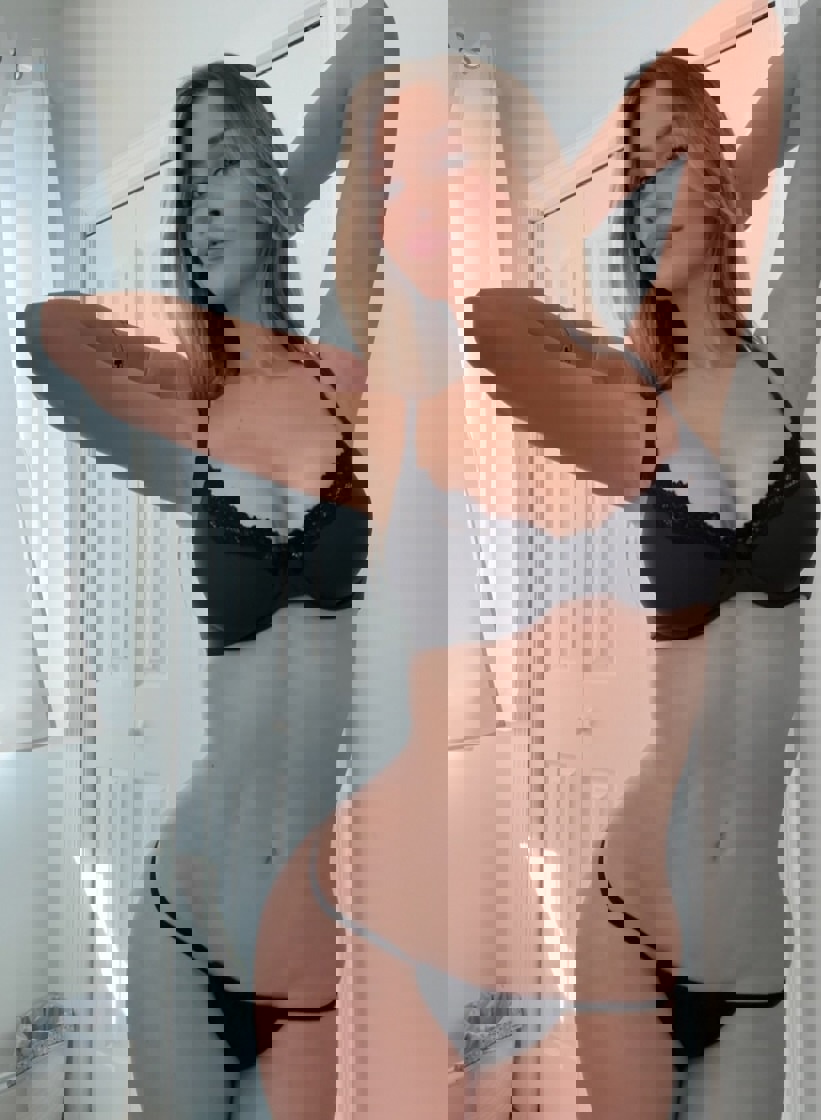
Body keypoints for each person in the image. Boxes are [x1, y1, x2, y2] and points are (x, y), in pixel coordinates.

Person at [468, 1, 821, 1116]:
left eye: (678, 156)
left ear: (719, 174)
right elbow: (494, 322)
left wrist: (723, 177)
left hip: (745, 949)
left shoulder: (783, 353)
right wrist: (660, 205)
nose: (652, 188)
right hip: (629, 915)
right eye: (635, 175)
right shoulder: (632, 392)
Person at [20, 4, 391, 1117]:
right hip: (184, 916)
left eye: (227, 163)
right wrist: (238, 210)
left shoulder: (340, 361)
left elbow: (372, 49)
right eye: (190, 185)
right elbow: (45, 339)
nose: (204, 201)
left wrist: (278, 187)